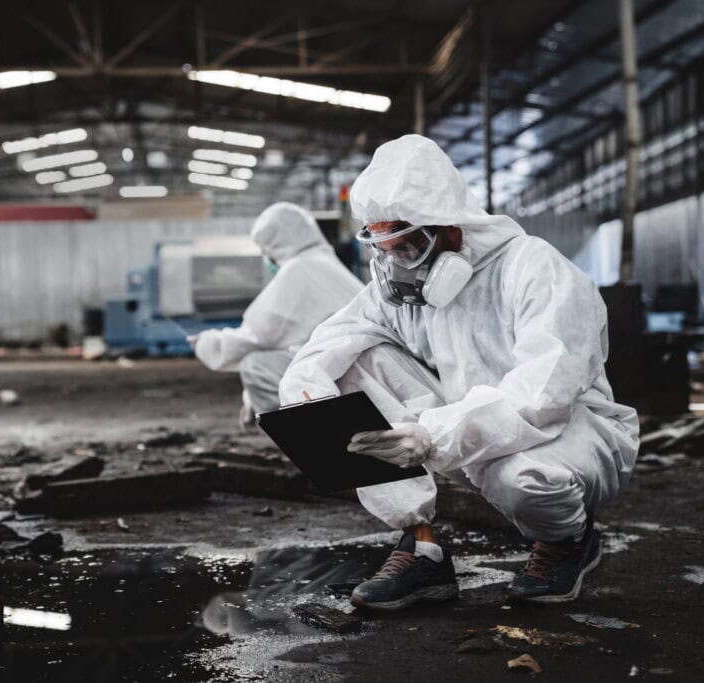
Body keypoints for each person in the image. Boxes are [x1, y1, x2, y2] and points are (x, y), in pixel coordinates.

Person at [278, 135, 639, 609]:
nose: (396, 262)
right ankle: (421, 545)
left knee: (524, 477)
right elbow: (324, 346)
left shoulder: (534, 268)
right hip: (460, 428)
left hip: (569, 429)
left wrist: (432, 434)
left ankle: (567, 540)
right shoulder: (398, 289)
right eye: (385, 246)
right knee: (345, 369)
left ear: (451, 227)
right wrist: (309, 404)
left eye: (408, 244)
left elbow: (544, 393)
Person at [190, 202, 363, 426]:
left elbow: (256, 337)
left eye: (266, 250)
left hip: (346, 375)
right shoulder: (325, 263)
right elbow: (294, 342)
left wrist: (206, 343)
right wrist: (250, 399)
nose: (267, 257)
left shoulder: (299, 269)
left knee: (256, 365)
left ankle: (310, 438)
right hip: (360, 367)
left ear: (276, 244)